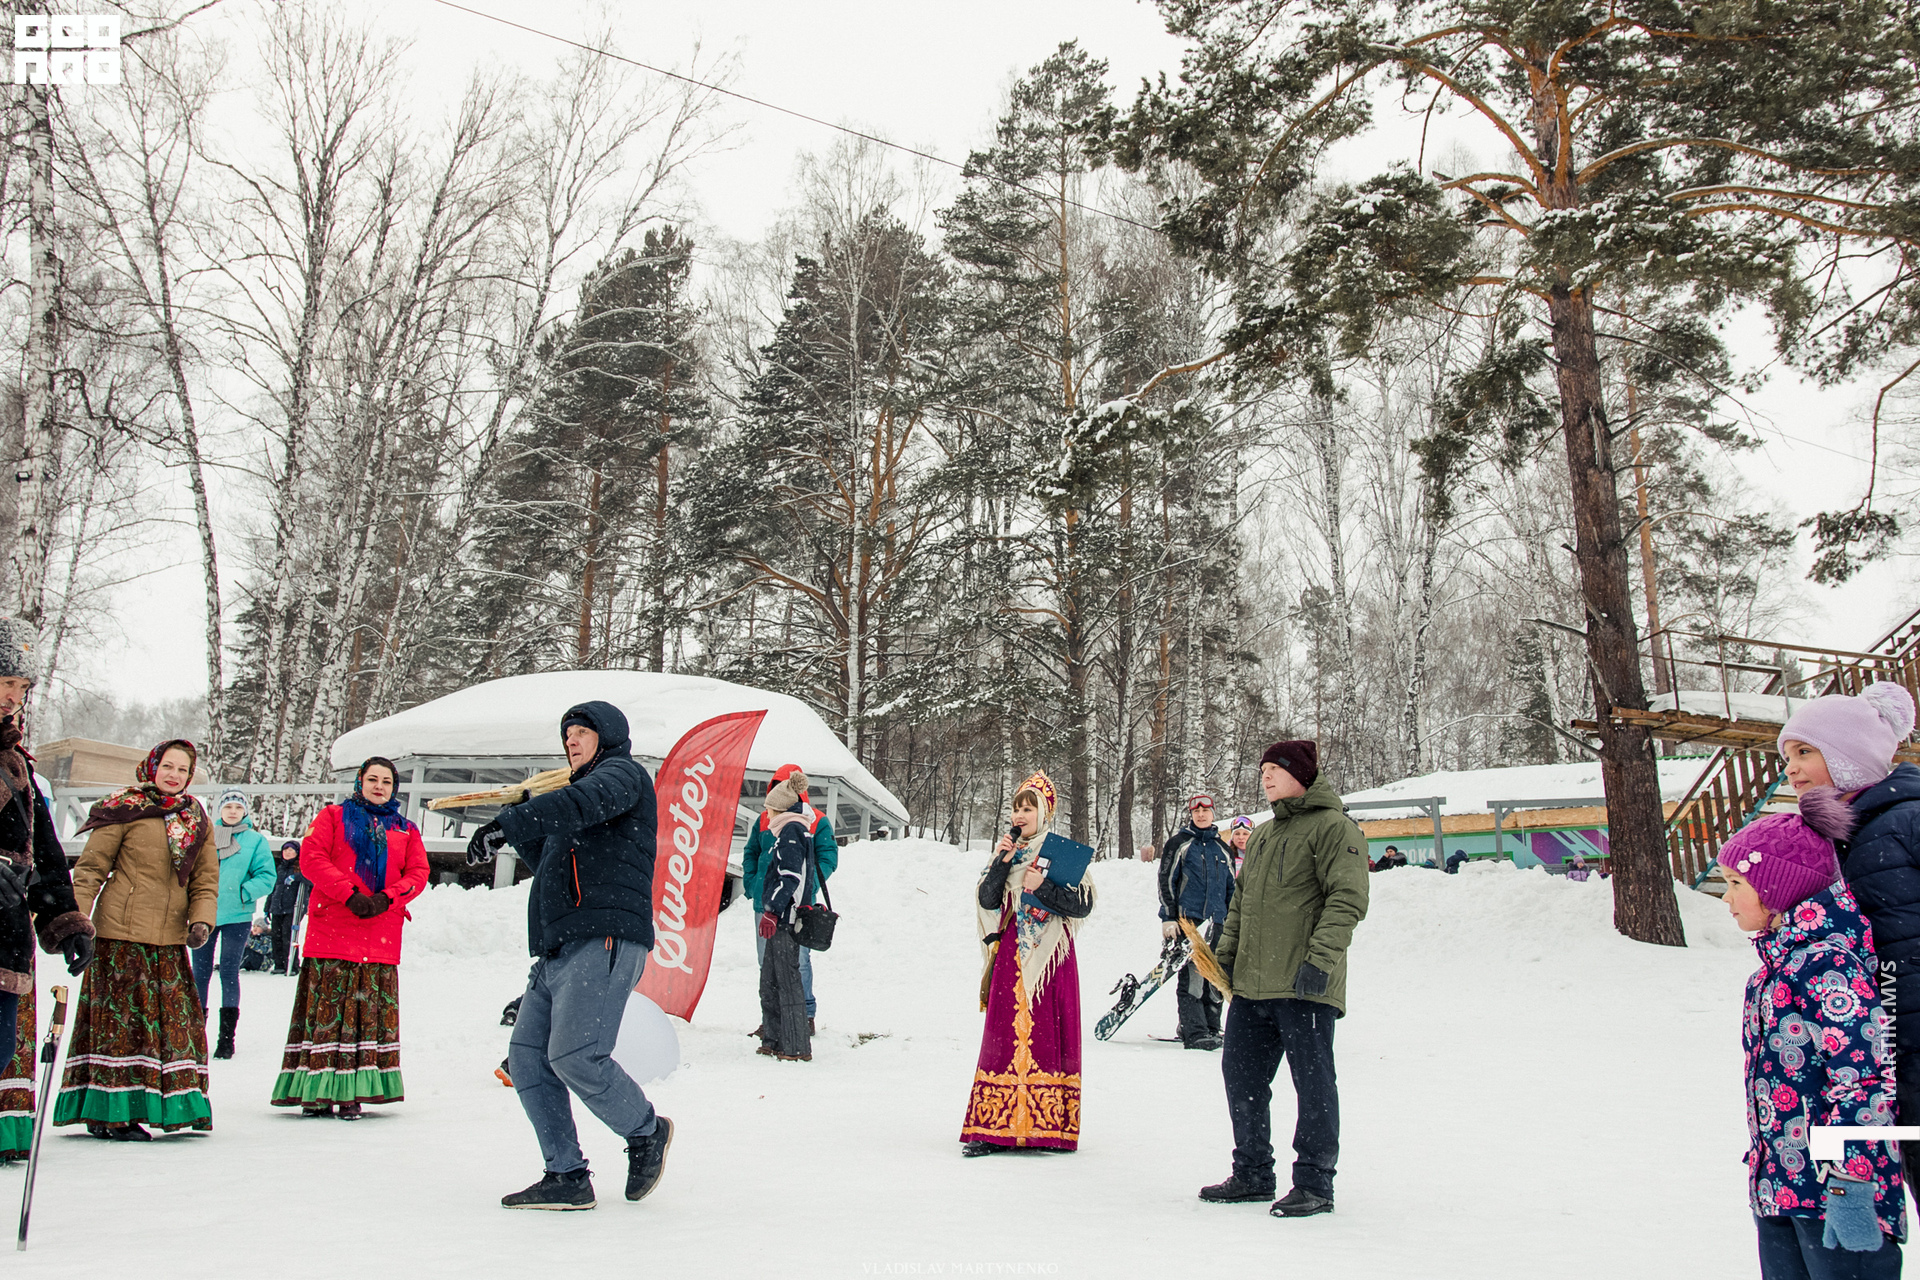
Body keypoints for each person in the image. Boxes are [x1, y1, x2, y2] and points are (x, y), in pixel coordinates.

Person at [464, 701, 673, 1211]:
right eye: (567, 735)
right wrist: (528, 828)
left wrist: (512, 820)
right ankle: (567, 1174)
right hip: (558, 949)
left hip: (603, 937)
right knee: (527, 1059)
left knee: (576, 1056)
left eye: (582, 732)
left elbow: (580, 804)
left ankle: (646, 1130)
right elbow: (553, 861)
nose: (572, 741)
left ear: (609, 735)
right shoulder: (575, 800)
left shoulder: (623, 776)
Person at [1717, 799, 1907, 1276]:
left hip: (1837, 1197)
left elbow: (1865, 1081)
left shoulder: (1828, 965)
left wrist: (1851, 1183)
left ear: (1779, 888)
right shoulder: (1774, 971)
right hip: (1783, 1187)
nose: (1726, 898)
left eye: (1736, 884)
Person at [1200, 740, 1368, 1218]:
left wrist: (1321, 960)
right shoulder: (1266, 835)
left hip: (1304, 984)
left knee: (1312, 1082)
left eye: (1275, 768)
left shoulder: (1336, 829)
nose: (1266, 777)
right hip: (1252, 987)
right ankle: (1253, 1171)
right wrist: (1225, 959)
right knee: (1241, 1076)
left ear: (1302, 774)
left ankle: (1315, 1181)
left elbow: (1347, 900)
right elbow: (1241, 903)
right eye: (1262, 770)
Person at [1776, 680, 1920, 1208]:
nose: (1790, 768)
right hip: (1882, 1039)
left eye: (1805, 752)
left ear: (1852, 757)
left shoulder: (1907, 818)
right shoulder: (1833, 836)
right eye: (1786, 756)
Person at [58, 738, 217, 1140]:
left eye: (183, 769)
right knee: (122, 1027)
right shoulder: (124, 807)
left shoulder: (196, 817)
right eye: (168, 766)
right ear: (152, 766)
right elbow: (91, 868)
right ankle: (110, 1112)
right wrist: (77, 921)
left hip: (168, 940)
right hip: (120, 935)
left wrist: (201, 920)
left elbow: (206, 878)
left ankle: (170, 1106)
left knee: (170, 1028)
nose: (174, 775)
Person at [271, 756, 429, 1119]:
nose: (379, 786)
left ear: (394, 788)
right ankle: (317, 1090)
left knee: (366, 1014)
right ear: (359, 782)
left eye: (386, 781)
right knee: (330, 1010)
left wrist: (387, 897)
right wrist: (348, 893)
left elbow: (419, 871)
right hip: (335, 928)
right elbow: (312, 858)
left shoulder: (406, 829)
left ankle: (355, 1091)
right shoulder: (332, 817)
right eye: (372, 779)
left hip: (380, 933)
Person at [960, 771, 1094, 1156]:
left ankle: (1048, 1125)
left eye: (1028, 808)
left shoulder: (1060, 854)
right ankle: (993, 1126)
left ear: (1044, 813)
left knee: (1048, 1036)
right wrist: (1003, 861)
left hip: (1051, 958)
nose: (1021, 815)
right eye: (1017, 807)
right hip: (1011, 956)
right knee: (1003, 1035)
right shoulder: (1006, 851)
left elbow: (1081, 904)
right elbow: (987, 900)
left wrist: (1043, 887)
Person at [0, 619, 92, 1158]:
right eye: (6, 681)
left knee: (1, 1045)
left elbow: (48, 858)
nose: (14, 696)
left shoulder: (19, 766)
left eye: (22, 687)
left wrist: (64, 921)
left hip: (6, 937)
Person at [742, 763, 836, 1039]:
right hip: (765, 905)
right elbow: (751, 853)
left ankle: (804, 1015)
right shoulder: (764, 819)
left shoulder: (816, 820)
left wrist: (807, 888)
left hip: (797, 906)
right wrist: (753, 884)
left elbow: (827, 858)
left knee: (799, 961)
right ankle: (772, 1019)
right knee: (766, 962)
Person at [193, 788, 276, 1059]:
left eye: (238, 808)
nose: (232, 811)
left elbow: (267, 875)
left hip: (237, 916)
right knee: (200, 974)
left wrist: (243, 892)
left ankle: (226, 1039)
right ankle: (194, 1037)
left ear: (245, 812)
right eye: (228, 806)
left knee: (229, 972)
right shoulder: (205, 836)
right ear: (220, 810)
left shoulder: (255, 840)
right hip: (203, 914)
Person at [755, 767, 824, 1062]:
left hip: (786, 920)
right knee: (769, 980)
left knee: (785, 979)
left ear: (779, 809)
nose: (766, 816)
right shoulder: (789, 830)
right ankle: (774, 1038)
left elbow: (790, 876)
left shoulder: (792, 831)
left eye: (769, 810)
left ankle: (795, 1044)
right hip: (782, 919)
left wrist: (773, 910)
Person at [1158, 792, 1234, 1049]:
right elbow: (1166, 881)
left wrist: (1233, 921)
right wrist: (1169, 917)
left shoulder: (1223, 848)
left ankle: (1212, 1027)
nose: (1201, 815)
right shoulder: (1179, 843)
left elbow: (1232, 889)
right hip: (1190, 923)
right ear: (1191, 814)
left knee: (1217, 977)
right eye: (1196, 811)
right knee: (1194, 977)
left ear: (1213, 813)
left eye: (1206, 810)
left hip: (1218, 923)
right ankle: (1195, 1031)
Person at [264, 838, 308, 975]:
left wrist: (297, 877)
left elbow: (311, 879)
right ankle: (279, 964)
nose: (288, 853)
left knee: (288, 935)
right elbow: (273, 889)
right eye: (285, 850)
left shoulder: (301, 866)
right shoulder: (279, 868)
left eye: (291, 851)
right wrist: (267, 908)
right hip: (277, 906)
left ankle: (293, 965)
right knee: (275, 936)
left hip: (293, 907)